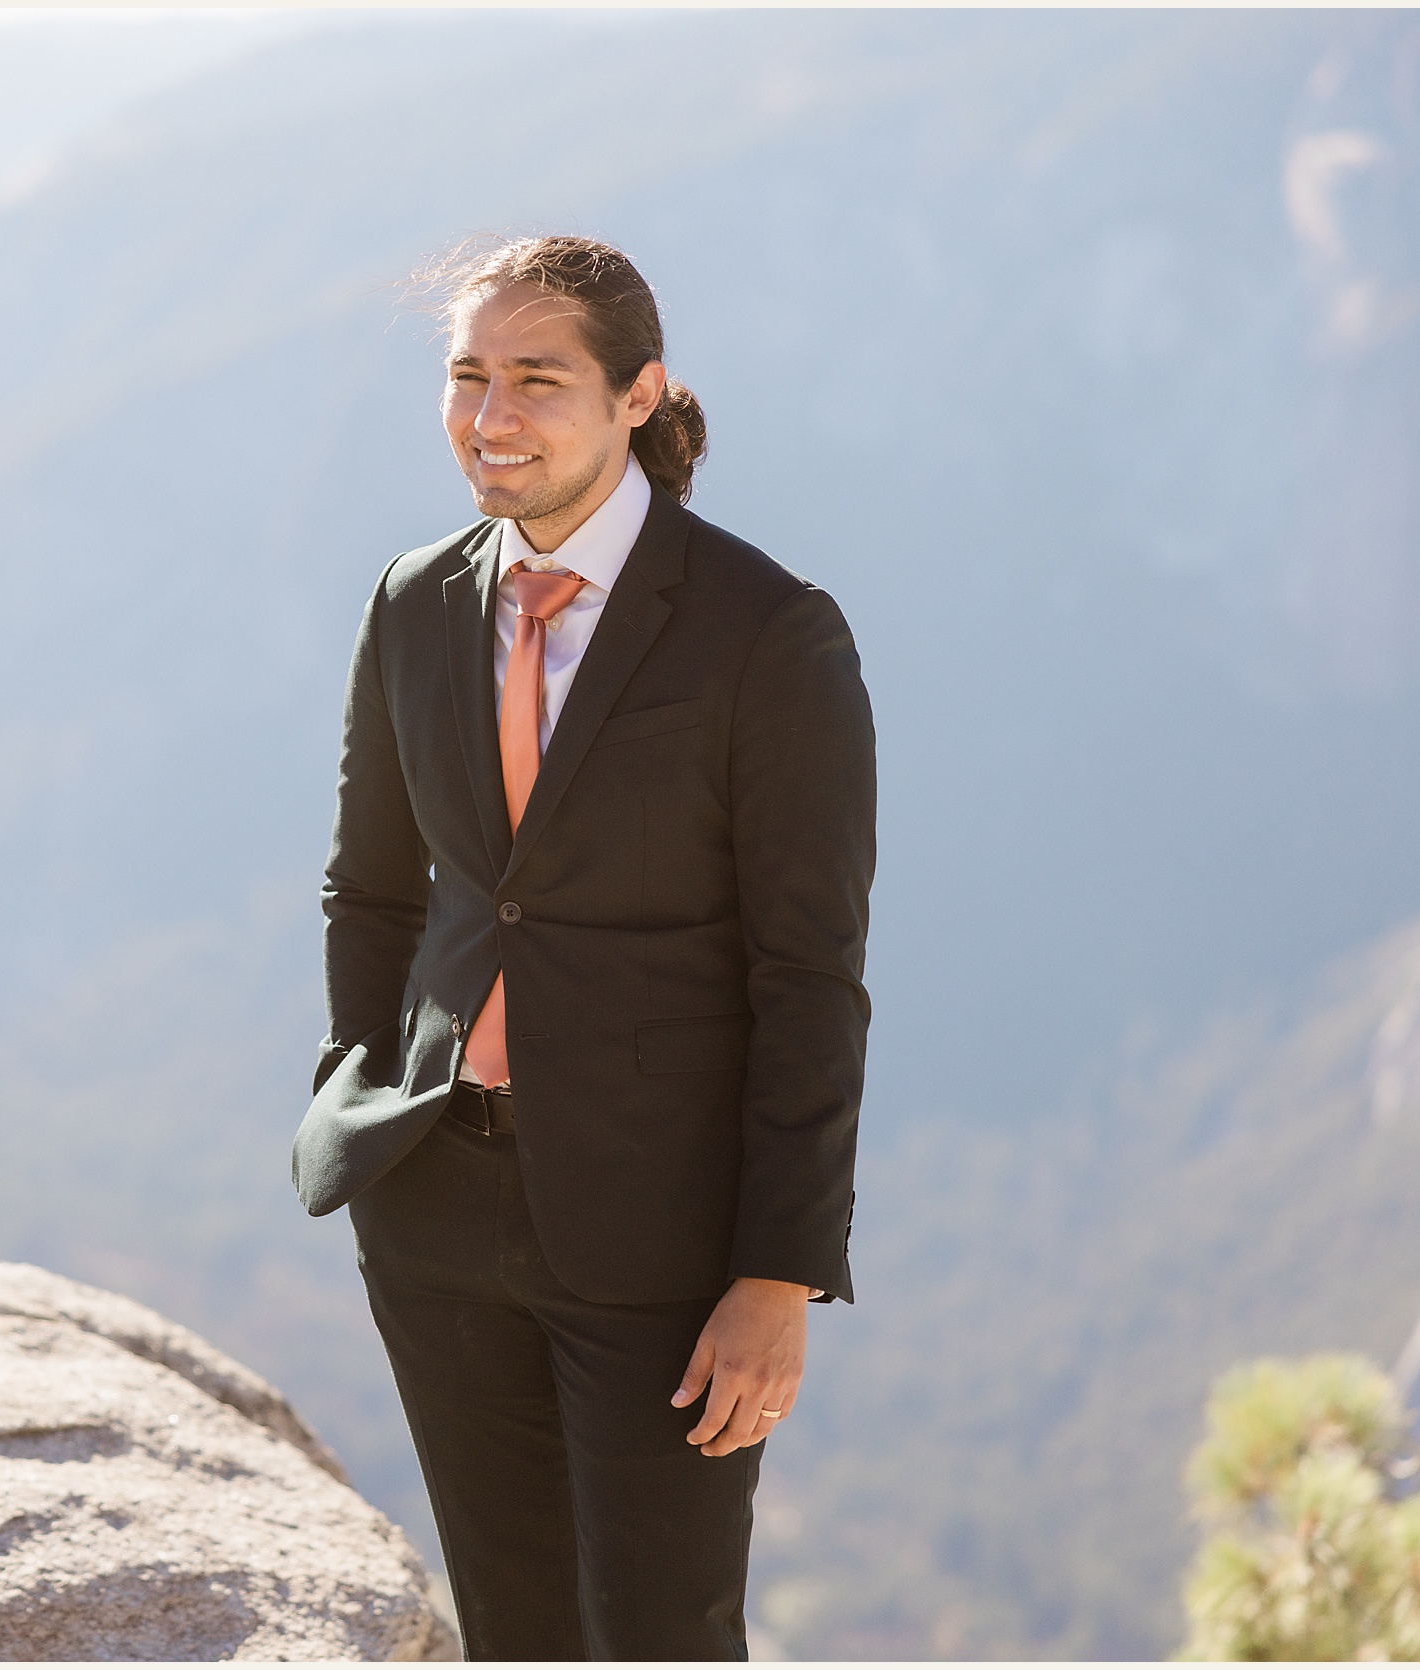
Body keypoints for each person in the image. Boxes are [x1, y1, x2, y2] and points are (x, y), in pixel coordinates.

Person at [290, 235, 877, 1661]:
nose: (490, 416)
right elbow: (371, 895)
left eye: (536, 378)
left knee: (664, 1634)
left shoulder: (768, 632)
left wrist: (777, 1275)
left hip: (664, 1246)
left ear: (639, 395)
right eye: (467, 375)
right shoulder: (414, 599)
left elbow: (809, 978)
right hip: (435, 1209)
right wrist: (373, 1101)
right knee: (515, 1629)